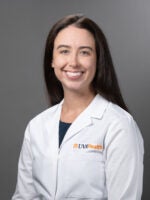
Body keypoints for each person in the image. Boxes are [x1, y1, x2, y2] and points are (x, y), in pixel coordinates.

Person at [12, 14, 144, 200]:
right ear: (52, 60)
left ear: (98, 61)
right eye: (64, 51)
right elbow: (24, 197)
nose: (73, 62)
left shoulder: (119, 125)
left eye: (84, 52)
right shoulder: (36, 126)